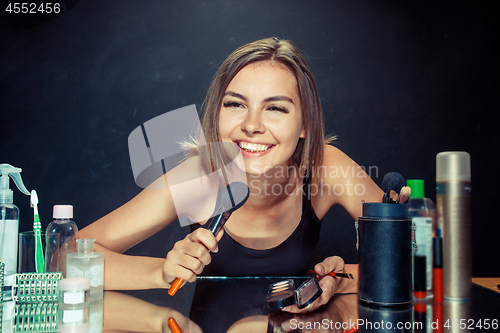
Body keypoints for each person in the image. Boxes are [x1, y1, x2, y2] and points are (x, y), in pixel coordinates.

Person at [79, 37, 383, 313]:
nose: (252, 125)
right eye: (235, 104)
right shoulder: (196, 175)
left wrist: (341, 280)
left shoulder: (325, 166)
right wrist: (160, 272)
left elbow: (416, 253)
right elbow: (68, 256)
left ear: (305, 124)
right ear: (216, 113)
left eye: (275, 108)